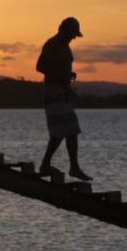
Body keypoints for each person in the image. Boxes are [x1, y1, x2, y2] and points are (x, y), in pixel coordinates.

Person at [36, 17, 92, 180]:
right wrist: (62, 75)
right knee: (63, 131)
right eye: (72, 34)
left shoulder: (64, 45)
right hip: (53, 92)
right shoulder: (52, 44)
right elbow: (40, 67)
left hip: (62, 91)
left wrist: (68, 76)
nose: (74, 37)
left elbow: (60, 68)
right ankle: (50, 165)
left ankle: (70, 167)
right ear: (64, 30)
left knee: (69, 130)